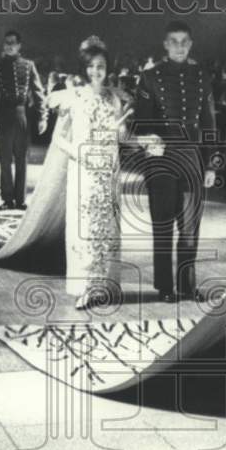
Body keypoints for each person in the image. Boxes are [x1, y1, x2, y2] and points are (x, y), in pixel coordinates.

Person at [132, 21, 217, 303]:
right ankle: (166, 286)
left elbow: (209, 122)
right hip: (162, 158)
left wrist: (211, 164)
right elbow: (140, 122)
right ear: (165, 45)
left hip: (192, 157)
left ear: (190, 44)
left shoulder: (202, 76)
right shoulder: (150, 76)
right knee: (163, 224)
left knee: (190, 225)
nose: (179, 46)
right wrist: (149, 139)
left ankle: (187, 285)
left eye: (184, 41)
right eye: (174, 41)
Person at [46, 45, 134, 309]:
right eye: (91, 66)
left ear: (108, 69)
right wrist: (80, 153)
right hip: (83, 169)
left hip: (109, 169)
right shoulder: (72, 97)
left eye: (101, 66)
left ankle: (105, 285)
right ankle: (85, 287)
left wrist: (130, 134)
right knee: (84, 229)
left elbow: (122, 137)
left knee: (107, 228)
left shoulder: (115, 99)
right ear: (83, 68)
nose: (96, 71)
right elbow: (58, 138)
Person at [0, 30, 48, 210]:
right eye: (6, 43)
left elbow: (39, 92)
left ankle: (21, 199)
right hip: (3, 116)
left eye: (12, 42)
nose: (9, 46)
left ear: (19, 45)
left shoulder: (29, 65)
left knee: (22, 159)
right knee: (5, 159)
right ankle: (7, 199)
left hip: (22, 114)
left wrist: (43, 117)